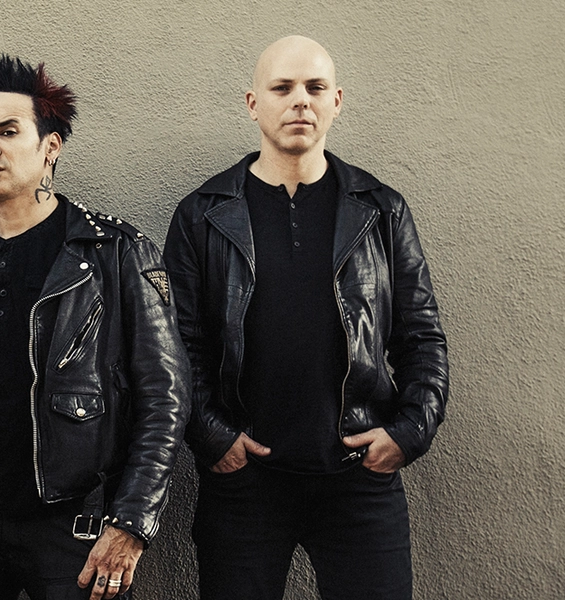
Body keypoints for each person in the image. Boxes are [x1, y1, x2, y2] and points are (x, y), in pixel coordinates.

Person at [164, 36, 449, 600]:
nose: (301, 100)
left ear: (336, 101)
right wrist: (215, 439)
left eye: (315, 88)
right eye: (283, 88)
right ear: (253, 103)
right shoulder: (202, 215)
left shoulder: (381, 210)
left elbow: (421, 337)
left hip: (358, 482)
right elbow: (178, 347)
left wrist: (408, 433)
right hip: (244, 486)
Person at [0, 55, 190, 600]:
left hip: (74, 528)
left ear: (50, 146)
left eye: (7, 132)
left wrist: (132, 523)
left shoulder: (115, 253)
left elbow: (166, 397)